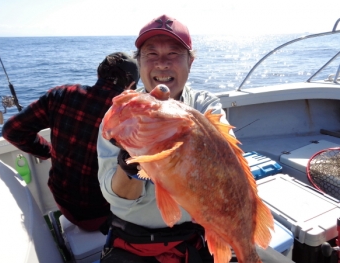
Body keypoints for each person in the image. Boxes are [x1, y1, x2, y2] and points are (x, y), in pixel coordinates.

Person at [97, 15, 295, 263]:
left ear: (190, 61)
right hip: (132, 242)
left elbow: (229, 169)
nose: (162, 64)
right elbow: (115, 196)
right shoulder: (124, 114)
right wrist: (128, 166)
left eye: (173, 53)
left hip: (195, 236)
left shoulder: (205, 105)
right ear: (139, 61)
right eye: (151, 54)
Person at [2, 52, 140, 232]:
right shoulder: (132, 114)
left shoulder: (60, 94)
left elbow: (12, 130)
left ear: (99, 73)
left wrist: (49, 152)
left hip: (63, 203)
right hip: (102, 212)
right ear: (131, 86)